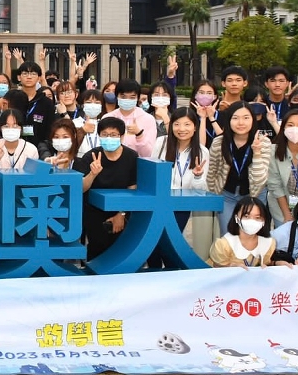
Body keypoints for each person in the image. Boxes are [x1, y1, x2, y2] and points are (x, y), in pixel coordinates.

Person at [206, 101, 274, 235]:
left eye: (246, 118)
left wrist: (257, 152)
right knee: (228, 234)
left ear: (253, 120)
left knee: (252, 234)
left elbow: (260, 180)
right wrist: (213, 196)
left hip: (254, 194)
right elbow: (212, 172)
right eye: (235, 118)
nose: (241, 123)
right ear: (228, 120)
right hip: (227, 195)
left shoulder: (263, 142)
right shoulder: (219, 142)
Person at [76, 117, 139, 260]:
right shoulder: (90, 156)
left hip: (121, 210)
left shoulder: (131, 156)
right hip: (94, 212)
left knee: (120, 250)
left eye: (113, 135)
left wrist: (121, 214)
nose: (108, 138)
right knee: (97, 248)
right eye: (104, 135)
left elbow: (132, 188)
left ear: (122, 136)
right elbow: (81, 188)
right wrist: (93, 174)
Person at [151, 107, 209, 233]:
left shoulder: (202, 152)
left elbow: (200, 190)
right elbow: (152, 172)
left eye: (187, 124)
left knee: (173, 238)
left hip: (182, 206)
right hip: (159, 202)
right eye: (177, 124)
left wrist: (198, 177)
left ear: (195, 127)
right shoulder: (161, 143)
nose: (181, 129)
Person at [209, 196, 275, 268]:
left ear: (264, 221)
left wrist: (276, 263)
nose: (252, 221)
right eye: (246, 216)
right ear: (236, 218)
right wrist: (230, 266)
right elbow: (216, 267)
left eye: (257, 217)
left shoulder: (268, 243)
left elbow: (267, 263)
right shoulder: (224, 244)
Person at [103, 79, 157, 158]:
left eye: (132, 97)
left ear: (137, 98)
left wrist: (139, 135)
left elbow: (149, 154)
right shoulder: (108, 118)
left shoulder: (148, 119)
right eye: (123, 97)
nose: (127, 100)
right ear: (117, 96)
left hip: (138, 163)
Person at [0, 108, 40, 175]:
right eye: (6, 126)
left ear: (21, 128)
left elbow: (33, 176)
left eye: (15, 126)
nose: (11, 129)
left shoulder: (31, 150)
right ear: (0, 128)